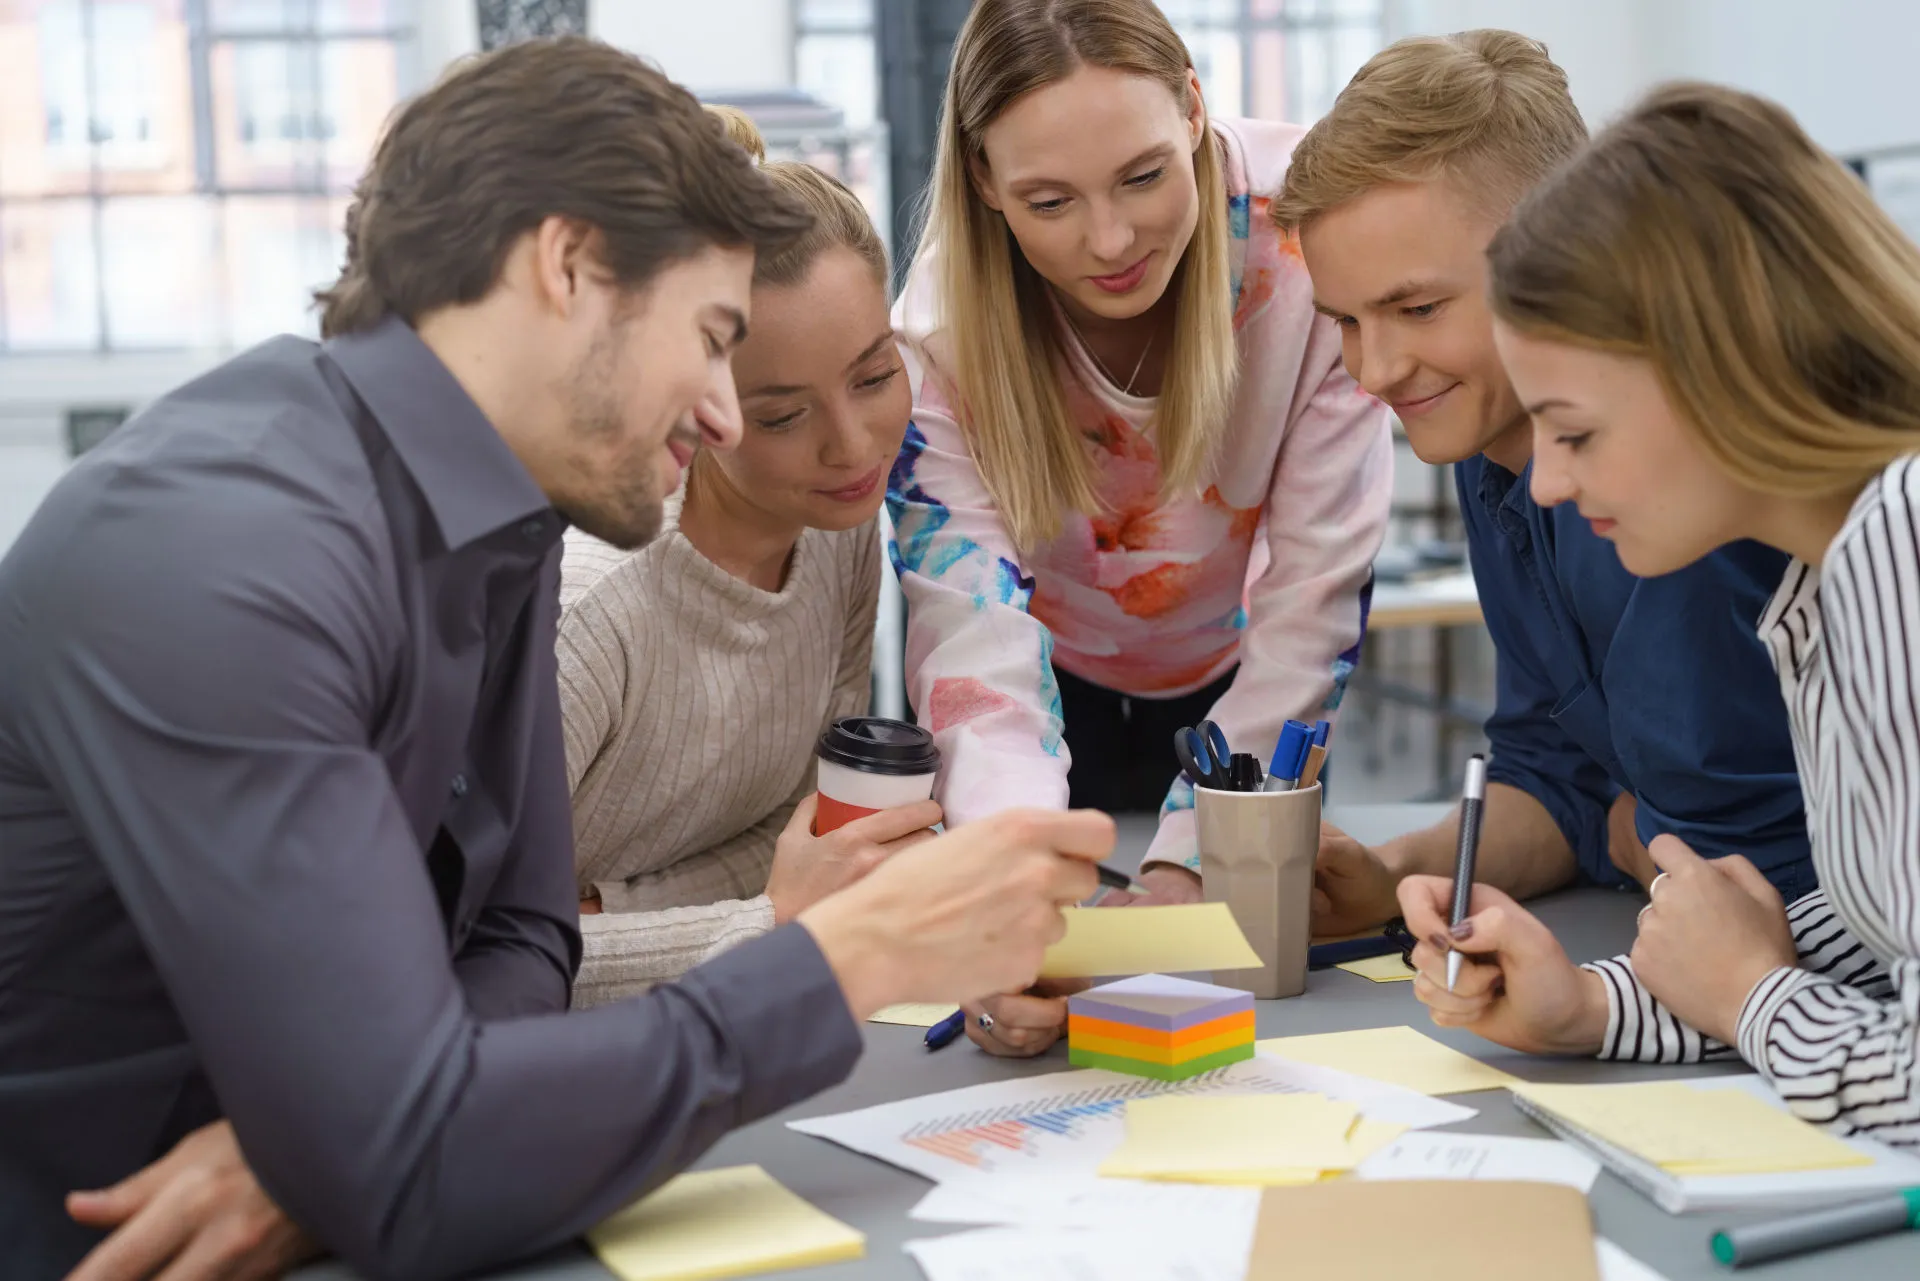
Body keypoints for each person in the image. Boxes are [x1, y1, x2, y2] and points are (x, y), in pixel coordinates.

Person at [0, 38, 1113, 1281]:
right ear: (569, 267)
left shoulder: (496, 518)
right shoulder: (221, 553)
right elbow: (413, 1155)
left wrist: (345, 1142)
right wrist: (852, 956)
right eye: (708, 336)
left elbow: (522, 940)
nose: (724, 412)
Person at [1402, 82, 1920, 1145]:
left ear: (1721, 373)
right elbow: (1886, 950)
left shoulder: (1900, 549)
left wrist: (1751, 998)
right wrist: (1595, 1006)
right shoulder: (1822, 583)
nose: (1542, 484)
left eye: (1576, 433)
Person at [1272, 31, 1814, 940]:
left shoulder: (1671, 488)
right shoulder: (1489, 444)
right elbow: (1557, 778)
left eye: (1417, 309)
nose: (1374, 369)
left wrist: (1632, 832)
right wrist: (1399, 873)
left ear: (1556, 253)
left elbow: (1741, 867)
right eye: (1345, 321)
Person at [890, 0, 1391, 897]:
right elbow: (973, 637)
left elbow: (1314, 595)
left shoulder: (1313, 238)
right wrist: (1025, 876)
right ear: (983, 179)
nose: (1112, 241)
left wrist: (1193, 858)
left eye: (1144, 175)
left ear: (1194, 108)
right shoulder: (938, 335)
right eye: (1050, 202)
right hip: (1042, 692)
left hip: (1245, 693)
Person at [560, 108, 938, 1007]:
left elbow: (800, 829)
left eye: (875, 376)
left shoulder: (835, 531)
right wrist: (766, 922)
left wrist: (611, 908)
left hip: (718, 1019)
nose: (853, 448)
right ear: (696, 400)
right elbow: (449, 961)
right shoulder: (588, 612)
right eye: (781, 415)